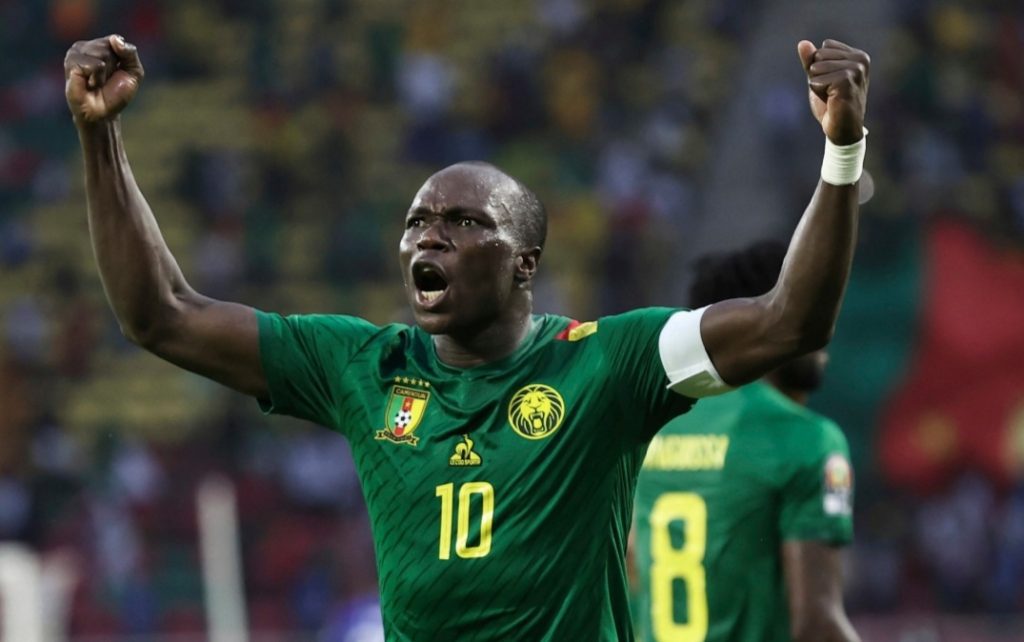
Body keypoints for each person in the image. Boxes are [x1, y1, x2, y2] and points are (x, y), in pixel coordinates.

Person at [64, 33, 869, 641]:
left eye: (461, 222)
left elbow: (788, 320)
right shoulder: (364, 366)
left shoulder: (609, 361)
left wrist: (840, 152)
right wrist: (99, 135)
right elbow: (160, 313)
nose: (427, 239)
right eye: (416, 223)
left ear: (524, 262)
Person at [631, 241, 860, 642]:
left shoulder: (650, 430)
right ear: (770, 322)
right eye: (813, 312)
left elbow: (629, 576)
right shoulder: (804, 438)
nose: (825, 332)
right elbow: (817, 627)